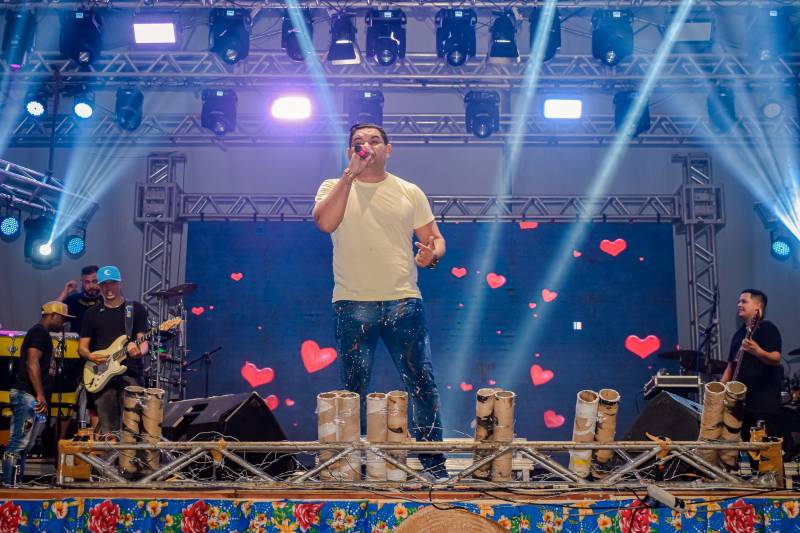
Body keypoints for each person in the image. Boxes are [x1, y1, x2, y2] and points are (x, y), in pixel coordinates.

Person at [313, 123, 447, 478]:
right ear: (349, 152)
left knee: (421, 382)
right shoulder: (333, 186)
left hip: (403, 299)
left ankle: (433, 465)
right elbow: (325, 223)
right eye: (358, 142)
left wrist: (432, 256)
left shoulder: (408, 191)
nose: (366, 146)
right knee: (353, 388)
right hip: (352, 302)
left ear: (389, 149)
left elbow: (434, 239)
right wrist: (349, 176)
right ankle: (351, 465)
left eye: (374, 141)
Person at [2, 302, 72, 487]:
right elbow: (32, 362)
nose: (63, 323)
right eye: (62, 318)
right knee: (18, 441)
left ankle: (15, 483)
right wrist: (40, 395)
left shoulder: (42, 334)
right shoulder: (39, 332)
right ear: (52, 315)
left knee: (26, 444)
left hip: (33, 397)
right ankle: (8, 484)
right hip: (28, 395)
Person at [78, 266, 149, 437]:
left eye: (112, 283)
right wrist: (90, 356)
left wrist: (139, 352)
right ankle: (109, 454)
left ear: (119, 283)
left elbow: (144, 343)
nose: (108, 288)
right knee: (109, 430)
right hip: (102, 375)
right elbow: (82, 348)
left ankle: (130, 454)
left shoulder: (135, 309)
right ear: (99, 286)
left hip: (130, 373)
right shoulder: (92, 313)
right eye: (104, 284)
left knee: (133, 428)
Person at [721, 289, 783, 442]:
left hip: (763, 404)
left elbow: (776, 359)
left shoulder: (767, 328)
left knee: (765, 450)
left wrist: (757, 351)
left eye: (744, 301)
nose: (739, 304)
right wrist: (720, 390)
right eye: (738, 301)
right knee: (746, 449)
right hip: (743, 405)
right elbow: (731, 367)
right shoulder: (738, 334)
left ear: (758, 306)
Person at [56, 265, 101, 334]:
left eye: (95, 281)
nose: (91, 286)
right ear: (82, 282)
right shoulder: (74, 300)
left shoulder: (106, 300)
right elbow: (53, 314)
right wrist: (65, 292)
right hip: (78, 340)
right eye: (87, 282)